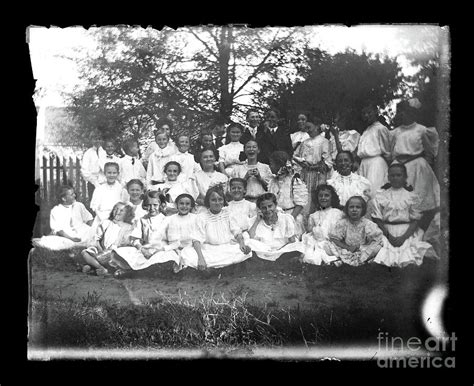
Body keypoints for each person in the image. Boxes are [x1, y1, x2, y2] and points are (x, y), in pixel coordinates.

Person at [371, 164, 435, 267]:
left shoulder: (411, 196)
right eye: (392, 175)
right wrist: (389, 237)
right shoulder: (381, 195)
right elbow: (377, 219)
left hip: (406, 231)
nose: (395, 178)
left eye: (398, 175)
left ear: (405, 177)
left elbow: (415, 220)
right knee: (381, 248)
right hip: (386, 230)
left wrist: (403, 238)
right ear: (388, 177)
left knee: (409, 250)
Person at [110, 191, 186, 278]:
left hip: (161, 251)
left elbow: (175, 243)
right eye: (149, 205)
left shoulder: (168, 220)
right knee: (118, 252)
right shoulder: (142, 220)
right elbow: (135, 239)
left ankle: (134, 272)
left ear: (162, 205)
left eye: (155, 205)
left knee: (167, 258)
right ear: (145, 205)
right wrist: (142, 249)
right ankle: (144, 271)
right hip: (145, 251)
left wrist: (162, 249)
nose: (151, 208)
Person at [180, 186, 252, 270]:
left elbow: (236, 231)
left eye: (220, 199)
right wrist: (201, 258)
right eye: (213, 200)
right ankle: (216, 266)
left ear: (224, 201)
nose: (217, 202)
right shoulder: (201, 217)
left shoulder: (228, 213)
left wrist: (241, 243)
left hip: (227, 246)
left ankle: (219, 267)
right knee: (187, 253)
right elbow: (196, 239)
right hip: (209, 248)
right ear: (208, 201)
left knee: (246, 242)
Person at [390, 98, 440, 215]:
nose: (402, 115)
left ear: (412, 113)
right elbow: (391, 151)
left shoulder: (421, 130)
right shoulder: (395, 132)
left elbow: (429, 151)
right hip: (398, 167)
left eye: (405, 112)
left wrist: (425, 168)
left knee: (419, 200)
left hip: (417, 167)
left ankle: (419, 225)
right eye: (400, 112)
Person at [31, 185, 94, 250]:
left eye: (74, 193)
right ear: (64, 199)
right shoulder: (56, 210)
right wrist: (72, 239)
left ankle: (81, 244)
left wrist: (95, 229)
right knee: (59, 243)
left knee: (93, 235)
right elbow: (59, 230)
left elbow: (89, 219)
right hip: (67, 236)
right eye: (71, 194)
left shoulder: (79, 205)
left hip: (83, 232)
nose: (75, 195)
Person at [80, 202, 135, 276]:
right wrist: (100, 249)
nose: (117, 212)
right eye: (116, 209)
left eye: (121, 211)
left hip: (114, 253)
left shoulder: (128, 227)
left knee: (114, 256)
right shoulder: (106, 223)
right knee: (85, 252)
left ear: (127, 213)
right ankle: (101, 268)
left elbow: (125, 243)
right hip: (101, 250)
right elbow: (97, 239)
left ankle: (92, 266)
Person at [246, 193, 305, 261]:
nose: (267, 210)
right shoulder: (255, 220)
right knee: (249, 243)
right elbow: (249, 237)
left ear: (275, 205)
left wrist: (278, 251)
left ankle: (277, 262)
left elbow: (292, 241)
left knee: (297, 246)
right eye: (264, 208)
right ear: (260, 209)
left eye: (270, 206)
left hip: (282, 250)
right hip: (264, 251)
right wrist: (257, 221)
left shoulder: (286, 219)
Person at [327, 196, 383, 267]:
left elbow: (376, 239)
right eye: (351, 207)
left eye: (358, 207)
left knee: (378, 247)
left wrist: (362, 247)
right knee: (328, 246)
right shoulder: (343, 223)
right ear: (347, 209)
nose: (354, 210)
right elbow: (334, 238)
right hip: (346, 249)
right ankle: (342, 260)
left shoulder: (368, 224)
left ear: (363, 210)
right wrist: (347, 247)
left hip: (361, 249)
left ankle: (361, 260)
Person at [293, 120, 332, 214]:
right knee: (305, 196)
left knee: (317, 196)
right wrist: (302, 163)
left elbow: (327, 160)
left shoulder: (324, 141)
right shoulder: (304, 142)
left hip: (318, 175)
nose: (307, 130)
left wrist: (315, 166)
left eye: (309, 127)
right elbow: (295, 156)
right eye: (306, 128)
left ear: (316, 126)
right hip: (305, 174)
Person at [268, 151, 308, 239]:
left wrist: (289, 220)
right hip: (276, 217)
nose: (270, 166)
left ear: (279, 165)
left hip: (292, 216)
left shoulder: (294, 180)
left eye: (272, 164)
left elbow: (300, 204)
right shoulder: (273, 181)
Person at [301, 184, 344, 266]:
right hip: (318, 242)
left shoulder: (338, 213)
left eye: (326, 195)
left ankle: (333, 259)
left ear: (332, 198)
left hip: (334, 242)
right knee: (312, 253)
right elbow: (310, 233)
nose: (323, 198)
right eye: (320, 196)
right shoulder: (314, 215)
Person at [357, 104, 391, 194]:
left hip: (376, 164)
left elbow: (387, 150)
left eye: (369, 112)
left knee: (374, 191)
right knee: (363, 191)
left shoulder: (381, 129)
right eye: (364, 113)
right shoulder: (366, 130)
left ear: (375, 112)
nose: (366, 115)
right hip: (364, 164)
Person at [89, 162, 128, 229]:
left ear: (118, 174)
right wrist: (103, 219)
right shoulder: (99, 189)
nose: (111, 175)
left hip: (117, 218)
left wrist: (116, 218)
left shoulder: (121, 189)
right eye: (109, 173)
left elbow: (124, 205)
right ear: (105, 174)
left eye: (114, 173)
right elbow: (95, 207)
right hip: (102, 217)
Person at [191, 148, 228, 213]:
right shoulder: (195, 176)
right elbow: (194, 197)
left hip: (219, 209)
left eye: (211, 156)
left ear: (214, 158)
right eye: (205, 157)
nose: (208, 159)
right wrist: (209, 203)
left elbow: (224, 196)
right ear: (200, 160)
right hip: (202, 210)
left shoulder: (222, 177)